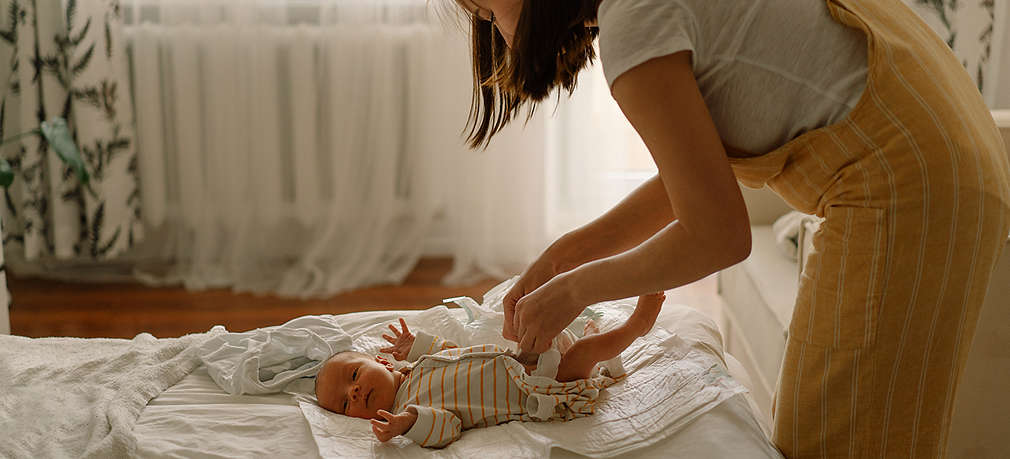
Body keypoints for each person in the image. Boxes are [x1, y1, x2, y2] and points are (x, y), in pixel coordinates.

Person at [447, 0, 1010, 457]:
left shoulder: (635, 19)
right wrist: (567, 254)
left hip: (909, 176)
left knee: (833, 438)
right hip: (941, 134)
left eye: (489, 14)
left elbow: (717, 232)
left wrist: (575, 289)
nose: (493, 31)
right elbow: (695, 176)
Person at [314, 293, 664, 448]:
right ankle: (637, 326)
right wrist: (408, 424)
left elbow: (453, 353)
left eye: (354, 377)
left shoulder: (417, 369)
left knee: (546, 327)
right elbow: (447, 427)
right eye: (346, 404)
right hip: (534, 391)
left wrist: (415, 345)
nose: (355, 392)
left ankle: (599, 352)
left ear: (383, 362)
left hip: (521, 362)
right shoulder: (411, 407)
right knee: (581, 356)